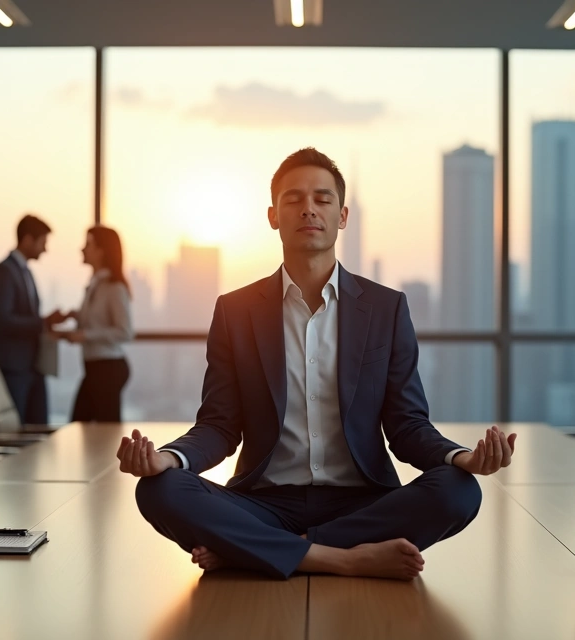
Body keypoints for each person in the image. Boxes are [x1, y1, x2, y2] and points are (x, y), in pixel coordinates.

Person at [119, 148, 518, 581]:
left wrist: (460, 457)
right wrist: (168, 458)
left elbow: (407, 426)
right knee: (160, 489)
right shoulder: (236, 311)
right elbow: (219, 425)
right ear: (273, 216)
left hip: (363, 502)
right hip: (263, 502)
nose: (308, 208)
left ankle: (259, 549)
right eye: (293, 199)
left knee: (459, 491)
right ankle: (342, 558)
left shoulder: (385, 308)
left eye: (323, 199)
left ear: (342, 216)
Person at [0, 214, 65, 425]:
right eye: (43, 242)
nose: (45, 249)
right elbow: (4, 320)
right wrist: (43, 322)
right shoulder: (5, 271)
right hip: (13, 367)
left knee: (37, 427)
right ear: (28, 239)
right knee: (15, 428)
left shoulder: (24, 272)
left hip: (32, 366)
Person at [53, 226, 134, 422]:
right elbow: (97, 321)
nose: (82, 249)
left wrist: (86, 335)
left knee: (104, 430)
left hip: (108, 368)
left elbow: (125, 331)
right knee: (81, 426)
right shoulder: (95, 284)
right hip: (94, 368)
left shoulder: (114, 287)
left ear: (101, 251)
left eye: (88, 244)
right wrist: (76, 316)